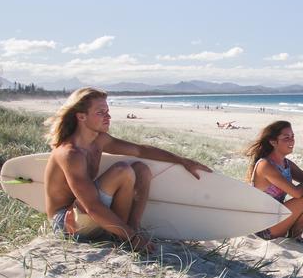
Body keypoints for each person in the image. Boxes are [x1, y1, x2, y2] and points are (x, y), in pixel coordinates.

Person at [43, 87, 211, 252]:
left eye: (108, 111)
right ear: (81, 116)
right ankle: (127, 236)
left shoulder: (99, 140)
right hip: (68, 223)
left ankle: (132, 228)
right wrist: (132, 238)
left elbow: (140, 150)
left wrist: (181, 160)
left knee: (141, 169)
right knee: (122, 171)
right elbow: (92, 207)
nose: (108, 117)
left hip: (87, 215)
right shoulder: (71, 154)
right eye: (100, 113)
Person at [245, 120, 303, 240]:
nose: (291, 141)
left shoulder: (287, 164)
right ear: (273, 142)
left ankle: (296, 234)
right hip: (263, 227)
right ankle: (294, 234)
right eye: (286, 137)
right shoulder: (265, 165)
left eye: (292, 136)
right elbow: (297, 192)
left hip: (279, 220)